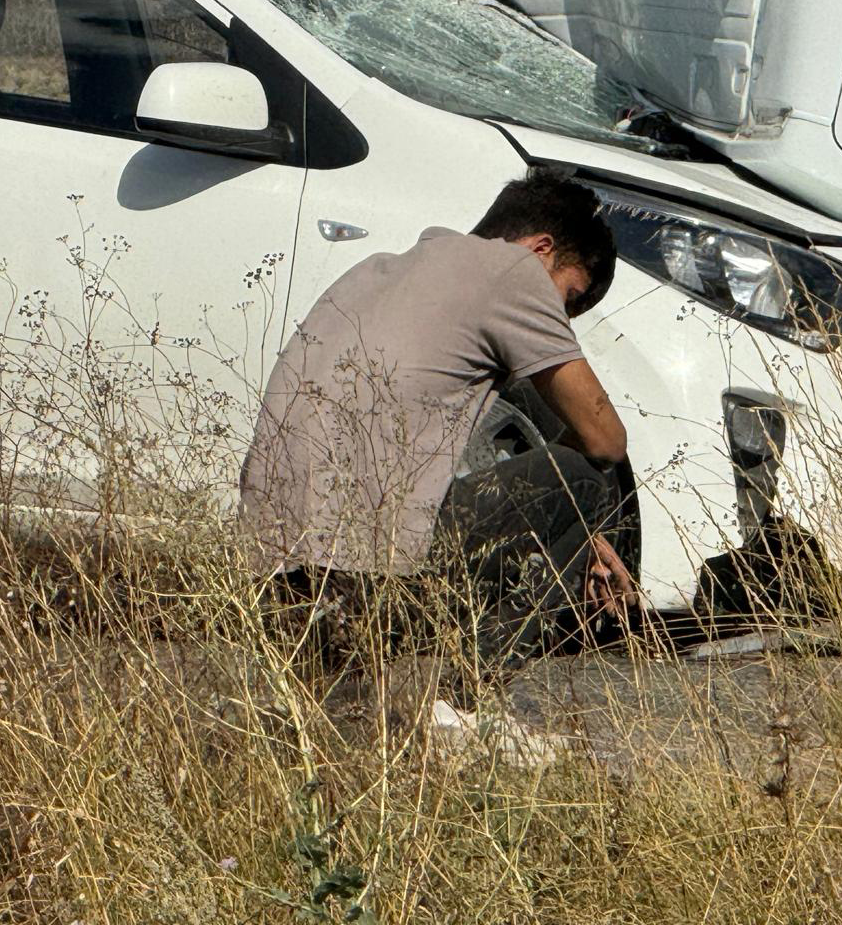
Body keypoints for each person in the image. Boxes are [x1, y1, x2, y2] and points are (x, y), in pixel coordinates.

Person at [239, 170, 634, 691]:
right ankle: (467, 707)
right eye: (568, 299)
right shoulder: (514, 271)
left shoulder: (377, 269)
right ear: (542, 249)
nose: (561, 318)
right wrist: (577, 523)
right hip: (365, 581)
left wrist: (575, 537)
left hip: (269, 579)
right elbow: (606, 438)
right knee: (583, 474)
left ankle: (341, 680)